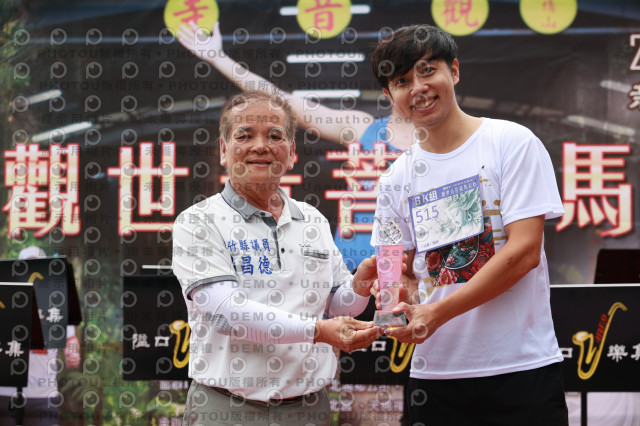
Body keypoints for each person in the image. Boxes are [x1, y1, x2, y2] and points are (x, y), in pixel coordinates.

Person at [369, 25, 569, 425]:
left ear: (455, 71)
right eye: (402, 81)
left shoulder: (512, 143)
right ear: (391, 97)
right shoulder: (394, 180)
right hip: (435, 377)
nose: (418, 88)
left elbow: (524, 252)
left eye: (428, 71)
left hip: (522, 368)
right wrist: (395, 295)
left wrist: (436, 313)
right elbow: (396, 270)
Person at [171, 91, 387, 426]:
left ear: (291, 153)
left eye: (274, 136)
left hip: (309, 409)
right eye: (245, 136)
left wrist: (359, 286)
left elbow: (337, 305)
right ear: (224, 150)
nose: (261, 146)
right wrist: (318, 331)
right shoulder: (198, 221)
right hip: (227, 410)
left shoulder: (312, 220)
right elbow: (228, 313)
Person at [176, 21, 416, 270]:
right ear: (387, 87)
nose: (413, 88)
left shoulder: (437, 142)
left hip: (411, 272)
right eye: (402, 79)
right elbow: (281, 99)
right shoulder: (363, 128)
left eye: (418, 76)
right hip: (351, 273)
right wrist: (218, 58)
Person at [0, 246, 81, 426]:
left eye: (37, 266)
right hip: (4, 394)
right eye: (27, 267)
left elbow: (71, 339)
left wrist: (73, 353)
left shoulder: (57, 303)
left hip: (44, 395)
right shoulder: (3, 297)